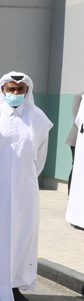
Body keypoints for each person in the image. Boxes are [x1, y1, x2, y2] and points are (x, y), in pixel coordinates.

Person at [0, 72, 52, 301]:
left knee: (21, 236)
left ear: (27, 91)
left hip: (25, 190)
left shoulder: (39, 119)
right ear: (3, 90)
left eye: (20, 89)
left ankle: (14, 287)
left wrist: (23, 179)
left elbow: (40, 158)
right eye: (11, 89)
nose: (15, 93)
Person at [66, 94, 84, 230]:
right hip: (77, 138)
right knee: (76, 169)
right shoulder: (79, 96)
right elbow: (77, 116)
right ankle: (70, 196)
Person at [66, 92, 83, 195]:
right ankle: (71, 194)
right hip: (77, 139)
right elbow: (78, 118)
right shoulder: (79, 97)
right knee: (77, 166)